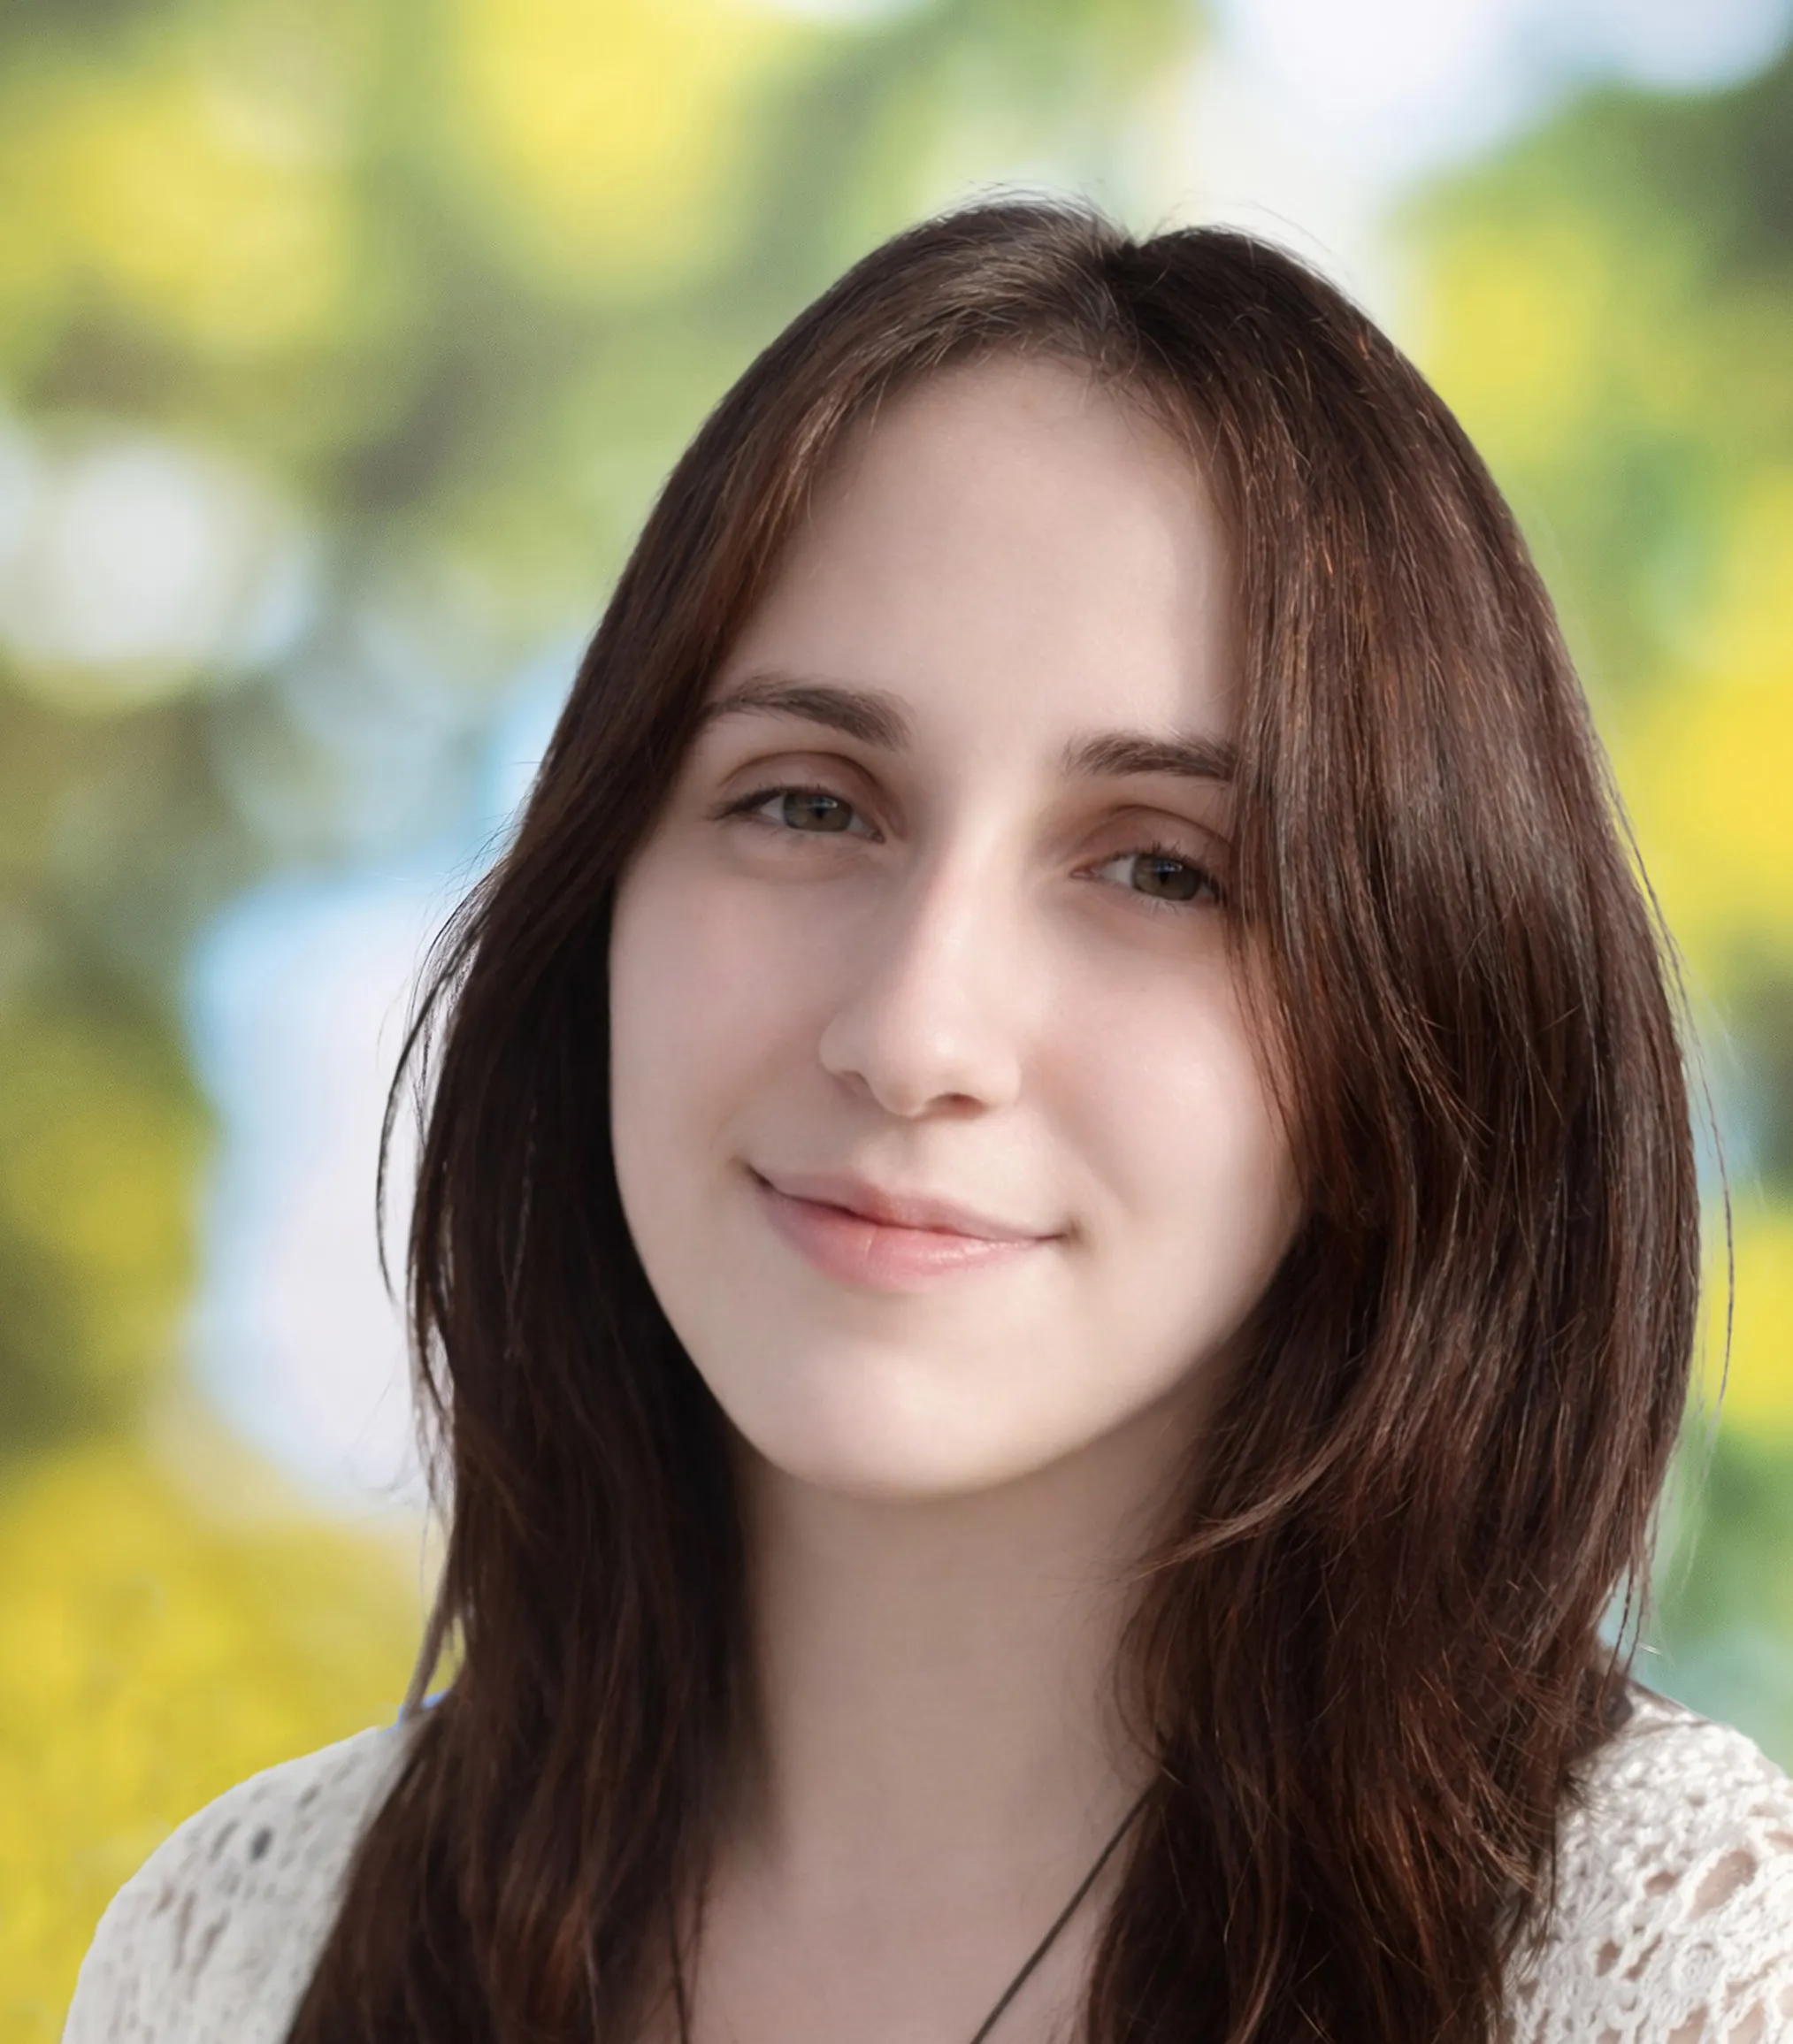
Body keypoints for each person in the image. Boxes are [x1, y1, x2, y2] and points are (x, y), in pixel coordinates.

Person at [62, 198, 1793, 2044]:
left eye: (1158, 867)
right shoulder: (239, 1958)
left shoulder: (1674, 1963)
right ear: (600, 902)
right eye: (807, 805)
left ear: (1419, 1023)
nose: (911, 1034)